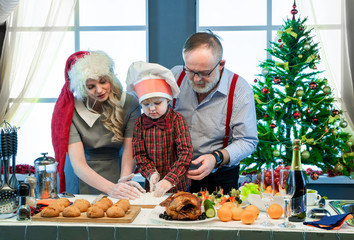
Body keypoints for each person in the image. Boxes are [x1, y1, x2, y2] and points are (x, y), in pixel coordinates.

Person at [171, 32, 258, 193]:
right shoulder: (175, 76)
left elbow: (247, 141)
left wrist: (216, 158)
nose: (196, 79)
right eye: (191, 71)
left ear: (221, 64)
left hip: (219, 177)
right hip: (174, 175)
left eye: (205, 73)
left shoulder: (240, 90)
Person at [51, 50, 145, 199]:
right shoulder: (71, 111)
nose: (99, 90)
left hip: (116, 171)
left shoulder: (129, 104)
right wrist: (111, 188)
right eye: (91, 86)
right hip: (80, 176)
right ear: (82, 88)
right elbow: (78, 163)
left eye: (103, 81)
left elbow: (130, 150)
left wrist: (123, 183)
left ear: (111, 78)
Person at [126, 61, 193, 197]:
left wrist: (170, 179)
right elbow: (140, 155)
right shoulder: (139, 123)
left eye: (157, 103)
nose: (151, 109)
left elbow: (185, 153)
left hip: (179, 187)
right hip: (152, 187)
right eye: (146, 104)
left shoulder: (177, 120)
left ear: (168, 100)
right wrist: (151, 173)